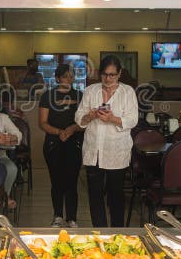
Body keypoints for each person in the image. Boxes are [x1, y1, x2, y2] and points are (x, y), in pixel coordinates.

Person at [75, 55, 138, 227]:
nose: (108, 79)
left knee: (115, 196)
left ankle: (118, 233)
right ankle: (100, 234)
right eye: (104, 74)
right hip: (93, 150)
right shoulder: (91, 91)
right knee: (95, 196)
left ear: (119, 74)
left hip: (116, 152)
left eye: (112, 75)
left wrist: (113, 118)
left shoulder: (127, 92)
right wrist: (90, 115)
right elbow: (79, 118)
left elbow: (132, 120)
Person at [39, 64, 84, 228]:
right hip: (53, 143)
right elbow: (42, 123)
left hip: (74, 142)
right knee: (56, 181)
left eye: (71, 76)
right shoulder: (47, 96)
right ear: (57, 79)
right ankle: (57, 216)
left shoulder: (80, 96)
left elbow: (84, 122)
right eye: (65, 76)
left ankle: (72, 218)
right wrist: (59, 132)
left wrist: (72, 129)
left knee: (72, 182)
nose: (69, 79)